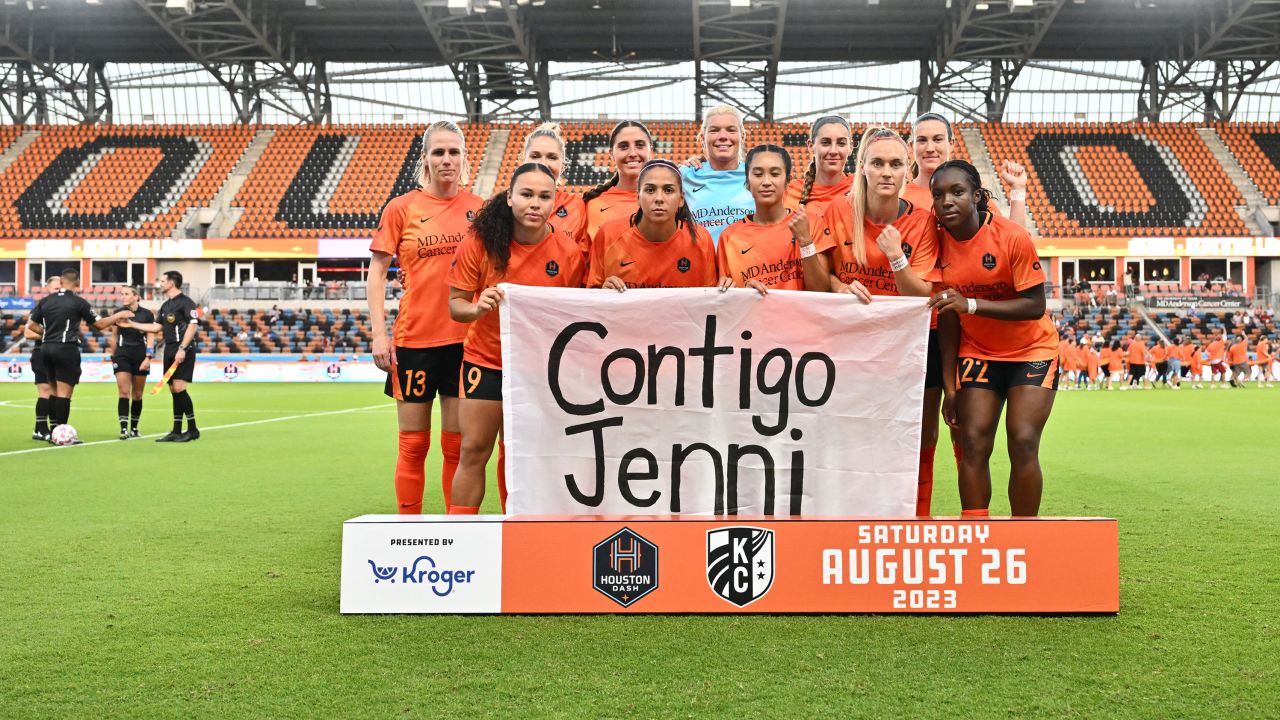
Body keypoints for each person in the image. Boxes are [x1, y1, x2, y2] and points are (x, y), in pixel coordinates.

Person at [804, 126, 941, 515]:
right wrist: (839, 288)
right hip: (852, 344)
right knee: (852, 429)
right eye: (877, 163)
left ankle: (917, 515)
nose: (886, 172)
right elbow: (821, 278)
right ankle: (850, 511)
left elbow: (922, 296)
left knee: (919, 433)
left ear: (907, 170)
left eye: (896, 164)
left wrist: (896, 257)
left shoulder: (923, 221)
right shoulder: (836, 212)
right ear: (861, 167)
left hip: (911, 346)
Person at [445, 162, 588, 515]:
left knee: (525, 456)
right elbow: (455, 306)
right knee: (474, 450)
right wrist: (479, 307)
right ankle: (460, 536)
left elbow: (577, 316)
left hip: (539, 371)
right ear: (509, 198)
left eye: (544, 196)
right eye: (526, 195)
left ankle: (521, 535)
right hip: (487, 361)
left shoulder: (568, 254)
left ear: (555, 201)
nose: (534, 203)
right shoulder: (480, 242)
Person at [927, 160, 1058, 518]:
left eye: (957, 192)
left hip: (1031, 350)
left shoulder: (1011, 237)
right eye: (938, 195)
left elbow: (1034, 305)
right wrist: (951, 387)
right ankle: (976, 534)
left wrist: (971, 303)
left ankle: (1024, 533)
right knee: (972, 443)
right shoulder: (935, 244)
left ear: (978, 196)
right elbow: (949, 319)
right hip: (979, 351)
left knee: (1023, 439)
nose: (946, 201)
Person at [369, 120, 483, 514]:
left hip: (466, 342)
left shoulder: (479, 210)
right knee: (413, 443)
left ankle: (456, 532)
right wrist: (379, 335)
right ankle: (408, 527)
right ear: (426, 159)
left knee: (457, 445)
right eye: (439, 152)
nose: (447, 159)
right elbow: (378, 273)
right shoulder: (402, 208)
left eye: (454, 151)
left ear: (464, 157)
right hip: (415, 340)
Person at [25, 269, 132, 440]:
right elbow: (100, 324)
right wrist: (118, 315)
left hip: (45, 349)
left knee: (53, 391)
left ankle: (53, 432)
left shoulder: (45, 301)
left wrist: (47, 333)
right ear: (78, 284)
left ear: (60, 281)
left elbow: (31, 325)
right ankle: (62, 434)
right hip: (66, 348)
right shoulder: (78, 302)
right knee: (64, 394)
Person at [589, 159, 718, 290]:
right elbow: (591, 298)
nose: (659, 199)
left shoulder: (700, 239)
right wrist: (602, 292)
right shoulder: (608, 235)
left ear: (681, 199)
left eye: (668, 190)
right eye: (650, 190)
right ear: (638, 197)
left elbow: (710, 301)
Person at [902, 112, 1030, 227]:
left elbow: (1014, 242)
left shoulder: (972, 195)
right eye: (922, 140)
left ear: (951, 144)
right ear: (911, 146)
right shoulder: (901, 198)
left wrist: (1017, 189)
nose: (930, 148)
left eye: (937, 139)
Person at [717, 145, 806, 292]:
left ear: (788, 180)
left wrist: (806, 242)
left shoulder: (807, 224)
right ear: (747, 182)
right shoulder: (729, 238)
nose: (766, 182)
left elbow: (822, 290)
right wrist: (744, 292)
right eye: (758, 174)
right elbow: (724, 298)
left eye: (775, 174)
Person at [126, 271, 201, 442]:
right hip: (170, 349)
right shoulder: (166, 306)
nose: (159, 283)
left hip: (183, 348)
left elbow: (193, 325)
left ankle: (192, 429)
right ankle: (176, 430)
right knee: (173, 390)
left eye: (162, 281)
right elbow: (155, 327)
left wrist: (183, 348)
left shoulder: (186, 302)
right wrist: (131, 324)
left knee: (180, 388)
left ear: (171, 283)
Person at [680, 105, 755, 245]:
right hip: (701, 264)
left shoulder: (756, 175)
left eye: (731, 130)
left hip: (747, 264)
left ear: (743, 136)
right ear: (703, 137)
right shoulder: (685, 175)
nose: (723, 137)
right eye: (714, 130)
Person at [521, 122, 590, 250]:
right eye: (535, 156)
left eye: (552, 157)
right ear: (523, 161)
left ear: (562, 166)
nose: (543, 163)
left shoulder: (575, 206)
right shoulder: (503, 204)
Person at [583, 120, 653, 239]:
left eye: (640, 145)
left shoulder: (667, 200)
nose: (632, 153)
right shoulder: (593, 205)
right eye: (624, 146)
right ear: (611, 154)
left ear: (650, 150)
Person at [107, 286, 156, 439]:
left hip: (140, 355)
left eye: (126, 294)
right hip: (122, 354)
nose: (123, 296)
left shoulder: (147, 314)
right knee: (123, 392)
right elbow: (114, 336)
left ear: (136, 296)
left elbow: (151, 336)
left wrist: (148, 357)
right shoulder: (118, 313)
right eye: (122, 294)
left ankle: (134, 428)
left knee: (138, 394)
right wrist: (112, 355)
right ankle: (123, 429)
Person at [784, 115, 853, 219]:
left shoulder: (861, 188)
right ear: (811, 146)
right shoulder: (790, 192)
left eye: (841, 143)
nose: (833, 151)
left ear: (851, 147)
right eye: (825, 143)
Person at [25, 275, 61, 441]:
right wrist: (50, 336)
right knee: (45, 391)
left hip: (59, 354)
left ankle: (54, 428)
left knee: (56, 392)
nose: (58, 292)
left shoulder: (66, 308)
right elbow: (28, 332)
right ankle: (40, 429)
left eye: (60, 288)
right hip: (42, 353)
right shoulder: (42, 307)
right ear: (48, 289)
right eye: (55, 288)